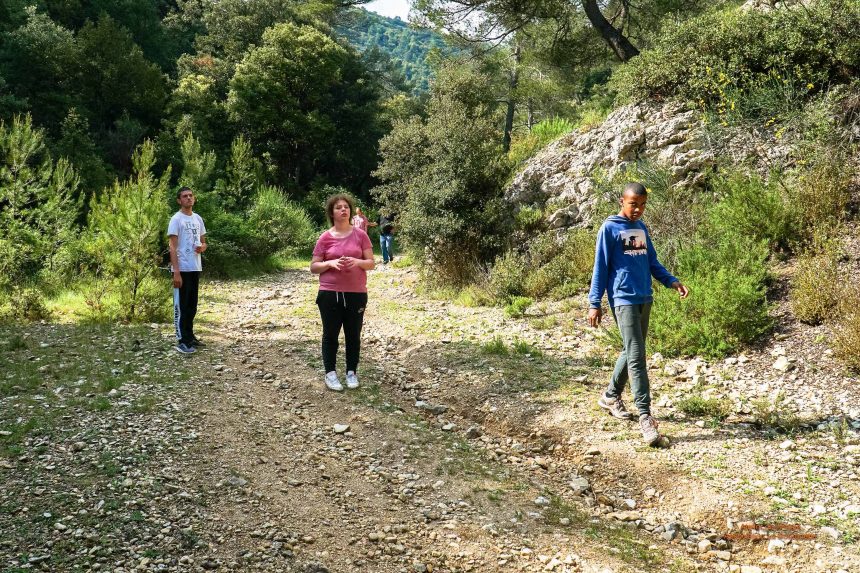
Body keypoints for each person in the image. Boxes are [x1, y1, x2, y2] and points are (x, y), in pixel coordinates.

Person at [587, 182, 689, 446]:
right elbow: (600, 267)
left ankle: (610, 396)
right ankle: (646, 417)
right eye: (633, 204)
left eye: (643, 205)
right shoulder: (609, 228)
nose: (638, 209)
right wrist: (594, 302)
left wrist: (671, 281)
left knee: (632, 349)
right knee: (637, 355)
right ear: (622, 201)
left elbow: (651, 262)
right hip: (623, 298)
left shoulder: (641, 228)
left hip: (645, 296)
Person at [310, 194, 375, 391]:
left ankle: (351, 372)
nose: (343, 210)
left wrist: (357, 262)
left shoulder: (361, 235)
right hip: (330, 293)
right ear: (332, 213)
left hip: (356, 292)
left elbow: (371, 263)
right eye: (338, 207)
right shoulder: (325, 237)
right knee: (330, 334)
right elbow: (314, 267)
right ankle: (330, 373)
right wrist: (329, 263)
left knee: (353, 334)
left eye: (346, 206)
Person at [168, 186, 207, 354]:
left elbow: (203, 241)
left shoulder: (198, 218)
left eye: (191, 195)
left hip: (195, 267)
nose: (188, 198)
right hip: (181, 268)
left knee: (192, 306)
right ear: (179, 200)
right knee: (181, 306)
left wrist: (202, 247)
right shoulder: (176, 219)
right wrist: (176, 272)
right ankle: (182, 340)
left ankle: (190, 336)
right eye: (185, 196)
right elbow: (172, 246)